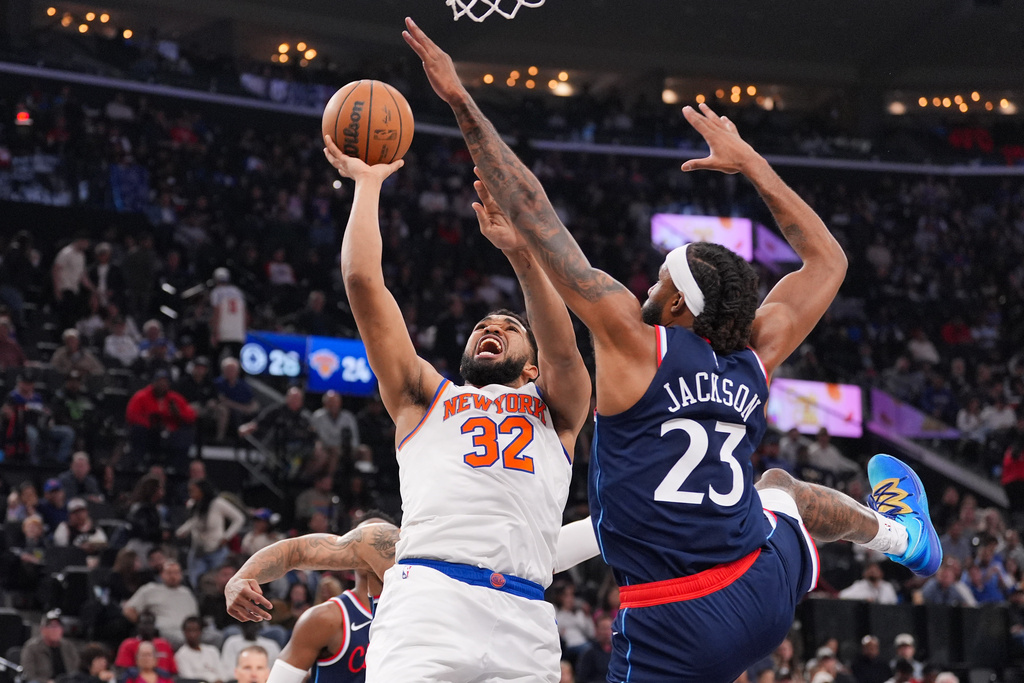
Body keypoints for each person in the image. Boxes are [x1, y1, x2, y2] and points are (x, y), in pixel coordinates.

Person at [401, 18, 941, 683]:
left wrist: (461, 102)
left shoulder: (633, 340)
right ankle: (903, 538)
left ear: (679, 303)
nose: (645, 284)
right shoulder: (755, 355)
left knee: (773, 492)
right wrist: (751, 164)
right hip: (761, 586)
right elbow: (827, 260)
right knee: (777, 489)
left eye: (659, 278)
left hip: (675, 619)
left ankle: (901, 536)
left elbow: (533, 208)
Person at [320, 91, 591, 681]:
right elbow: (365, 283)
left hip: (524, 615)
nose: (491, 328)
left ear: (531, 367)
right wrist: (368, 185)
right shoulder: (423, 396)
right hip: (429, 605)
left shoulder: (559, 409)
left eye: (508, 328)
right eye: (482, 327)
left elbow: (565, 349)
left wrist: (523, 256)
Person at [261, 514, 392, 683]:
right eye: (366, 540)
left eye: (384, 540)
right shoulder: (324, 618)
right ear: (350, 550)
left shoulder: (415, 616)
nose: (375, 547)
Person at [175, 479, 246, 589]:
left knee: (217, 585)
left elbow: (239, 518)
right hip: (198, 551)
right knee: (196, 584)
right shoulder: (192, 504)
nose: (190, 493)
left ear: (202, 491)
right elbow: (194, 521)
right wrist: (183, 530)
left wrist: (227, 537)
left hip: (216, 551)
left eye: (193, 490)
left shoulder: (217, 503)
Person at [125, 370, 197, 471]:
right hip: (149, 431)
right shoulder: (141, 396)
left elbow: (191, 416)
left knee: (186, 432)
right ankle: (139, 464)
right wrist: (151, 423)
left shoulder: (174, 398)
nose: (162, 384)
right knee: (138, 430)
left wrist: (178, 414)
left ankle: (176, 467)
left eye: (165, 382)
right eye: (159, 381)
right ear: (153, 382)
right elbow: (132, 415)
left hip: (170, 433)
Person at [122, 560, 200, 649]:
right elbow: (128, 610)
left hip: (188, 630)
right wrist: (143, 625)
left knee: (215, 637)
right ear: (162, 574)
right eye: (169, 573)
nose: (173, 576)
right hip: (164, 631)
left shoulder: (187, 593)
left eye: (176, 573)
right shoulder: (150, 589)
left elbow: (195, 617)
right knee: (182, 640)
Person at [22, 610, 80, 683]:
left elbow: (77, 668)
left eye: (58, 626)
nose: (56, 630)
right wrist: (46, 681)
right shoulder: (32, 647)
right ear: (43, 630)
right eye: (52, 626)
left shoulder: (68, 646)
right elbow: (29, 674)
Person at [114, 611, 178, 676]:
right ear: (138, 625)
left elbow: (174, 672)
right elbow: (122, 671)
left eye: (150, 623)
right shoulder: (128, 644)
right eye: (144, 623)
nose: (147, 627)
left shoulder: (164, 644)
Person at [213, 358, 260, 443]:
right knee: (224, 410)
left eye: (233, 370)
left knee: (255, 409)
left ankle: (251, 440)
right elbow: (222, 401)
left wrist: (251, 407)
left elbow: (252, 400)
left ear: (237, 371)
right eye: (228, 370)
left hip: (242, 409)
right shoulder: (217, 383)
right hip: (223, 410)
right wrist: (241, 407)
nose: (230, 372)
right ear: (223, 370)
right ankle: (220, 439)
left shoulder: (243, 385)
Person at [209, 268, 248, 360]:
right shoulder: (238, 292)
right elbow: (245, 313)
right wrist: (243, 331)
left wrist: (214, 333)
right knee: (236, 361)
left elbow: (216, 312)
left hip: (223, 333)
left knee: (217, 360)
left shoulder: (216, 292)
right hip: (238, 334)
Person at [174, 616, 222, 683]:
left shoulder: (212, 651)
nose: (192, 634)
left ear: (200, 632)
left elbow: (222, 673)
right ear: (184, 632)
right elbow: (189, 679)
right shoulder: (180, 655)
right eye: (189, 631)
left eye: (195, 630)